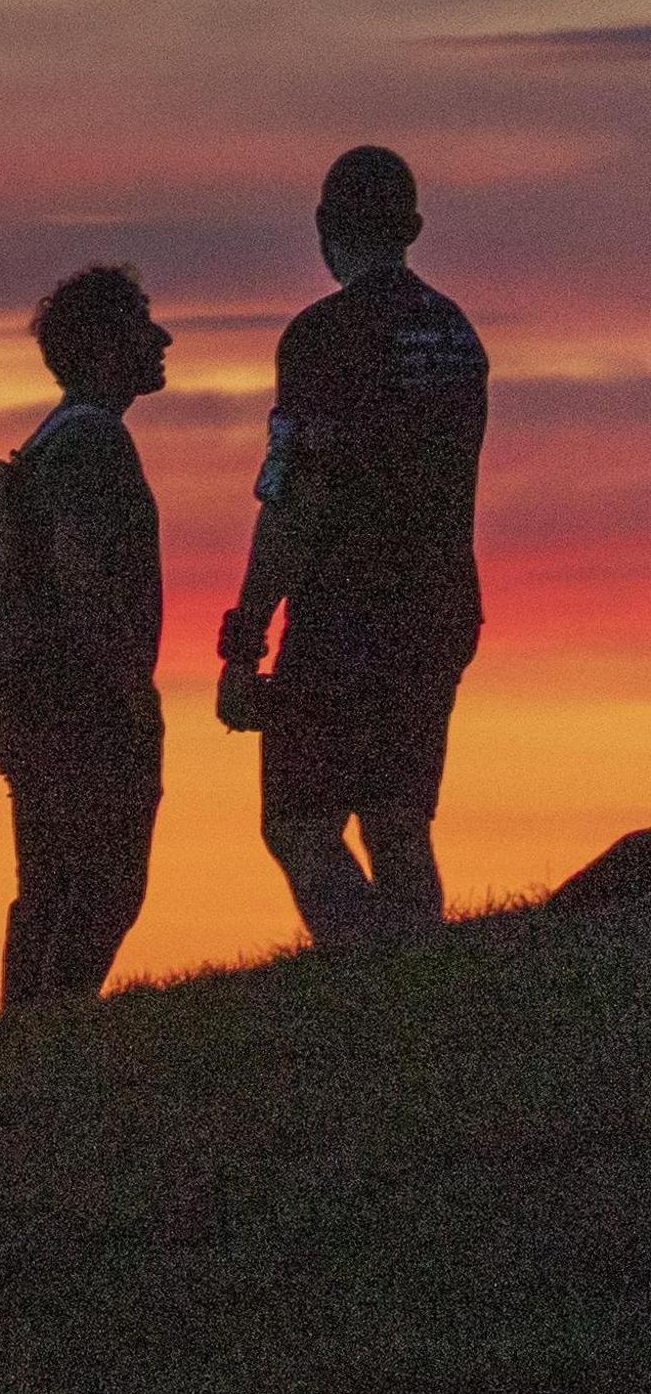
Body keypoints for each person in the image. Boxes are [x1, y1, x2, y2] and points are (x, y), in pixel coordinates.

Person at [218, 146, 488, 943]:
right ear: (412, 227)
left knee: (299, 824)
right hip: (442, 606)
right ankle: (421, 995)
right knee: (399, 819)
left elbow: (295, 498)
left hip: (345, 613)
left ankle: (374, 982)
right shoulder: (456, 337)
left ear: (324, 228)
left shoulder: (320, 338)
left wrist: (244, 642)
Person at [0, 264, 172, 1008]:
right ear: (104, 344)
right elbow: (83, 571)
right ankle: (47, 1031)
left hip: (41, 703)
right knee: (100, 886)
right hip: (79, 705)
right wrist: (131, 693)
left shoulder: (57, 439)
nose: (161, 338)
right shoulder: (93, 442)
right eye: (141, 324)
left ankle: (26, 1041)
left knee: (54, 886)